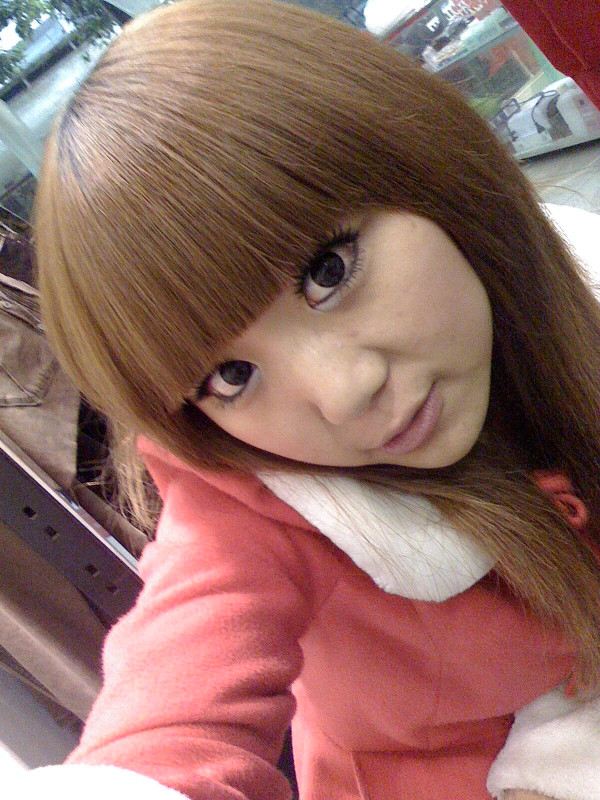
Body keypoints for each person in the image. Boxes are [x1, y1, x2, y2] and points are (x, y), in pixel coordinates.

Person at [17, 0, 600, 798]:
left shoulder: (572, 274)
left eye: (329, 271)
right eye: (230, 376)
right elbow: (169, 715)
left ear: (421, 161)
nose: (344, 394)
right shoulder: (250, 510)